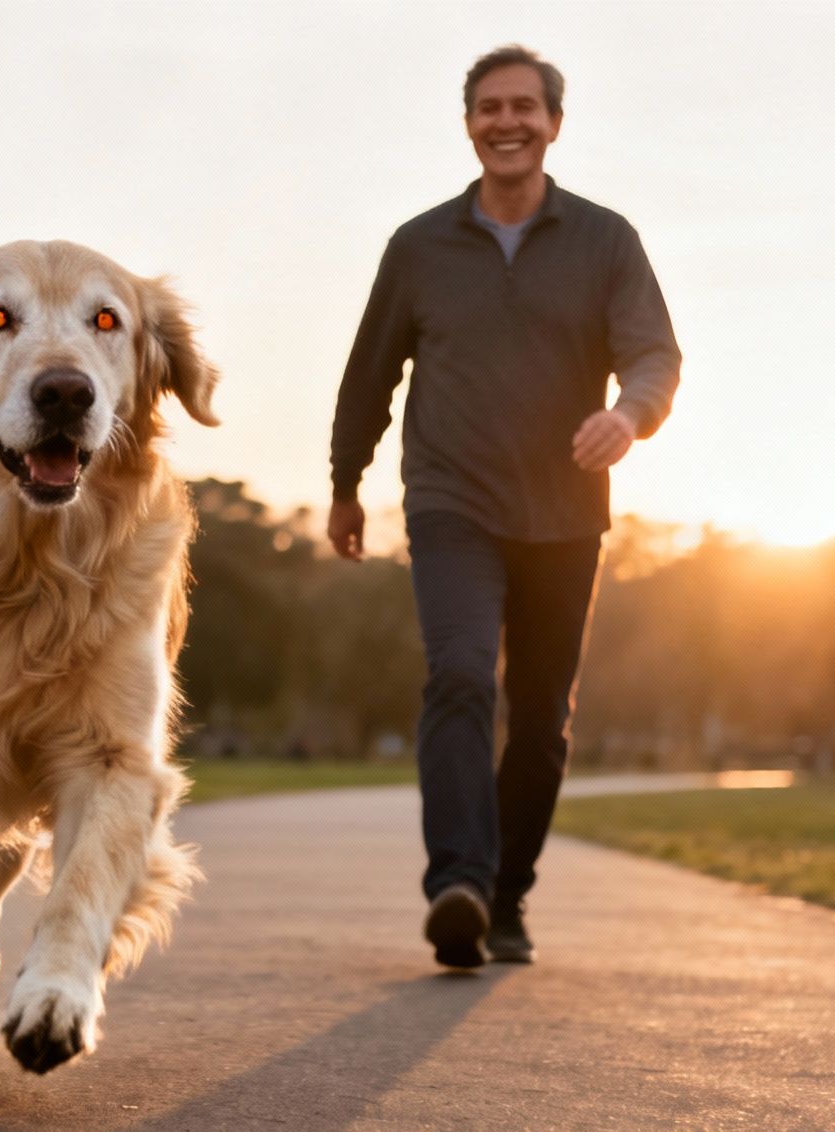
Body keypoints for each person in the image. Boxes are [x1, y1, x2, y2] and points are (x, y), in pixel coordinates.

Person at [326, 45, 681, 968]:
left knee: (541, 716)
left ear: (554, 123)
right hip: (452, 502)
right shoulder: (420, 247)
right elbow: (370, 376)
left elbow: (654, 356)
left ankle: (508, 895)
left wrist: (628, 416)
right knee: (459, 675)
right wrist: (344, 483)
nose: (507, 121)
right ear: (470, 124)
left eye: (525, 106)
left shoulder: (606, 241)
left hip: (567, 512)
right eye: (489, 107)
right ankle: (459, 884)